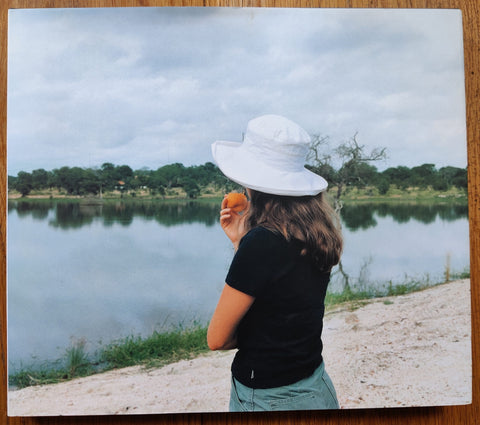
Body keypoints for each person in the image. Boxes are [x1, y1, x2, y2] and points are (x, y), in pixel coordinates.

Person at [208, 114, 343, 412]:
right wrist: (239, 243)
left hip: (269, 399)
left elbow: (217, 339)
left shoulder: (262, 242)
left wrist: (247, 245)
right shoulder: (316, 233)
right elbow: (282, 306)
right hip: (316, 385)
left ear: (252, 182)